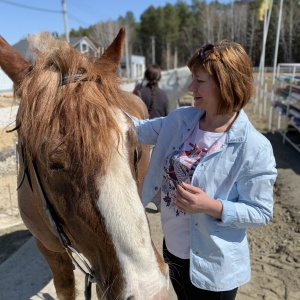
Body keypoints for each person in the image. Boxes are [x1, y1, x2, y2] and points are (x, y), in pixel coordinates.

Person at [131, 41, 277, 300]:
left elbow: (261, 211)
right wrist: (93, 102)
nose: (190, 88)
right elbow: (136, 129)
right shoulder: (180, 120)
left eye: (199, 80)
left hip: (213, 267)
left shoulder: (254, 147)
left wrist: (211, 206)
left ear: (226, 84)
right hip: (173, 251)